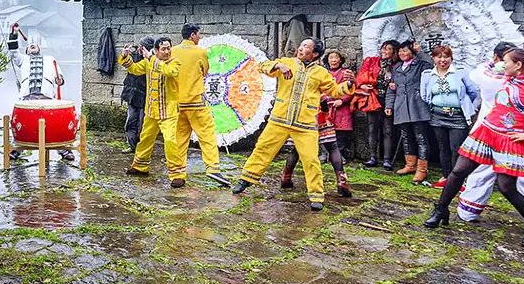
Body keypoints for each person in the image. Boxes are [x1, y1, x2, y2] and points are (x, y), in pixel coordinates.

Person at [424, 49, 524, 248]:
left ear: (518, 66)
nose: (501, 64)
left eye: (505, 61)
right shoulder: (507, 78)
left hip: (509, 140)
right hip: (487, 132)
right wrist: (500, 62)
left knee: (507, 187)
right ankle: (441, 209)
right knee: (458, 171)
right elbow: (488, 68)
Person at [232, 38, 355, 211]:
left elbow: (334, 90)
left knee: (311, 160)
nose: (301, 48)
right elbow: (262, 67)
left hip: (305, 124)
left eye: (306, 46)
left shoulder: (320, 72)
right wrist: (278, 67)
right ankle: (245, 180)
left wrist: (350, 84)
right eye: (302, 44)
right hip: (279, 119)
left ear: (315, 54)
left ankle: (316, 196)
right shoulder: (286, 62)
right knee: (262, 149)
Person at [458, 41, 524, 237]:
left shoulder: (489, 75)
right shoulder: (521, 78)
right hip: (499, 131)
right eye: (504, 60)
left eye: (508, 61)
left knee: (487, 174)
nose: (504, 65)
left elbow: (482, 70)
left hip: (512, 134)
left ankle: (469, 210)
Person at [280, 49, 356, 197]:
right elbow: (327, 91)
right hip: (319, 113)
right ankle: (342, 181)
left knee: (297, 148)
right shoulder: (318, 72)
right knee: (332, 146)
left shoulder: (291, 71)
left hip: (301, 115)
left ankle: (286, 176)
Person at [119, 37, 187, 188]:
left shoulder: (174, 62)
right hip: (151, 109)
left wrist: (151, 58)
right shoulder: (149, 62)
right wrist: (125, 56)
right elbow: (134, 69)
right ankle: (140, 166)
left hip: (168, 111)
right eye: (163, 49)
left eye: (169, 48)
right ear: (156, 50)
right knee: (145, 138)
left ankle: (177, 175)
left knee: (170, 141)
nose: (167, 51)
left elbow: (170, 72)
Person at [172, 23, 229, 187]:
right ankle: (213, 168)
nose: (200, 37)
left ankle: (178, 174)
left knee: (180, 139)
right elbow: (204, 71)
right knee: (207, 136)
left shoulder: (173, 52)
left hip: (178, 103)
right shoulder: (200, 52)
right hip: (196, 102)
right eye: (199, 34)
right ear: (192, 36)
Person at [420, 45, 479, 188]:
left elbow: (472, 92)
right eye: (439, 57)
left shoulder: (460, 73)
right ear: (433, 58)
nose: (443, 60)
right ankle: (446, 176)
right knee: (443, 147)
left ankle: (457, 179)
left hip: (457, 115)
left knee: (456, 148)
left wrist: (462, 105)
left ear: (451, 58)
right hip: (438, 115)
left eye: (446, 57)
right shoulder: (428, 75)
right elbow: (425, 95)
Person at [7, 35, 73, 161]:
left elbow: (59, 76)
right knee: (22, 124)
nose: (32, 46)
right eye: (29, 46)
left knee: (55, 124)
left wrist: (60, 80)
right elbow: (13, 51)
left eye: (34, 45)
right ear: (26, 51)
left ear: (39, 48)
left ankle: (64, 149)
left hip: (47, 97)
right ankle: (16, 149)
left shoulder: (50, 59)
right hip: (28, 98)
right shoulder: (23, 60)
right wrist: (13, 33)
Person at [387, 41, 433, 183]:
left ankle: (422, 169)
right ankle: (410, 165)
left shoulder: (421, 64)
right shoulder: (397, 68)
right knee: (406, 136)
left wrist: (420, 51)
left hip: (417, 105)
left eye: (405, 51)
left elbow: (432, 65)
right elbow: (391, 88)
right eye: (400, 51)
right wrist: (389, 105)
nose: (402, 54)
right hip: (401, 106)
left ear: (412, 52)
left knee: (420, 137)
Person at [356, 40, 400, 170]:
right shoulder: (372, 61)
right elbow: (360, 77)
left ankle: (387, 159)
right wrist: (363, 85)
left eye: (389, 49)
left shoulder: (397, 65)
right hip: (373, 98)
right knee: (372, 128)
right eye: (383, 48)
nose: (385, 51)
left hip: (389, 99)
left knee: (388, 130)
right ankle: (372, 157)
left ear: (394, 52)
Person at [120, 36, 154, 153]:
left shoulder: (153, 60)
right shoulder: (133, 56)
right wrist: (125, 55)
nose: (141, 49)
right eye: (141, 47)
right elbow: (128, 65)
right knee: (130, 122)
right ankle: (132, 146)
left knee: (143, 125)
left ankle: (143, 149)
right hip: (131, 94)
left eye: (144, 48)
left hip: (144, 96)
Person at [326, 50, 355, 164]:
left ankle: (340, 155)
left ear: (341, 60)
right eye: (331, 57)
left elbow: (351, 89)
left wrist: (341, 100)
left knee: (341, 134)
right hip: (326, 107)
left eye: (336, 57)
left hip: (341, 108)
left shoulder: (345, 73)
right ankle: (326, 155)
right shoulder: (324, 73)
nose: (333, 60)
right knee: (325, 131)